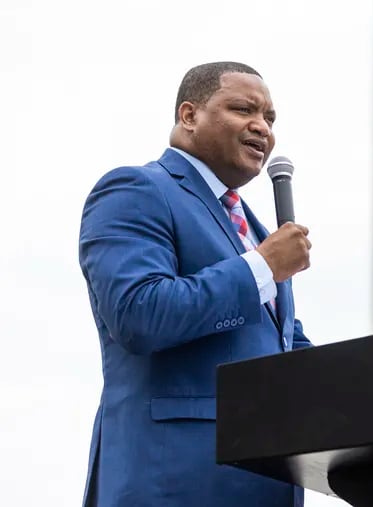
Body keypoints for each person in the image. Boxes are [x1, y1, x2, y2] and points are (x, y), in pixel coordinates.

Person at [78, 62, 312, 507]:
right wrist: (261, 266)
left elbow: (284, 350)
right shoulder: (136, 190)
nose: (261, 126)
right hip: (174, 484)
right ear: (189, 116)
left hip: (264, 483)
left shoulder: (255, 231)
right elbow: (139, 314)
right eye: (244, 109)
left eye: (270, 118)